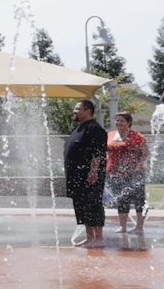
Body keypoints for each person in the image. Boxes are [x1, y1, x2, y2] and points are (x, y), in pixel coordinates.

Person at [64, 99, 108, 249]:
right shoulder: (80, 128)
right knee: (82, 207)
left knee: (93, 205)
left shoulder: (94, 129)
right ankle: (90, 238)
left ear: (88, 110)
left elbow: (99, 153)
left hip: (89, 177)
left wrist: (93, 171)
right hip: (77, 177)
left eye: (78, 109)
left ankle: (99, 238)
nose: (74, 112)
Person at [106, 111, 148, 234]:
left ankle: (139, 227)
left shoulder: (137, 136)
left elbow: (145, 153)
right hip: (115, 173)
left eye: (122, 120)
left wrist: (138, 166)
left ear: (129, 123)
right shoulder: (110, 135)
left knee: (139, 200)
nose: (118, 123)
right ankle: (123, 226)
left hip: (135, 174)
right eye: (117, 120)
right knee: (121, 200)